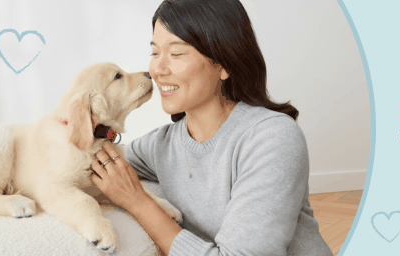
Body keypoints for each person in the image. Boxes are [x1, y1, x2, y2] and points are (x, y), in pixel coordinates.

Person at [88, 0, 333, 255]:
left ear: (224, 63)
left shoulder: (272, 139)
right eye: (154, 53)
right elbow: (85, 162)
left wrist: (138, 202)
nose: (157, 70)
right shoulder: (161, 146)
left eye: (176, 54)